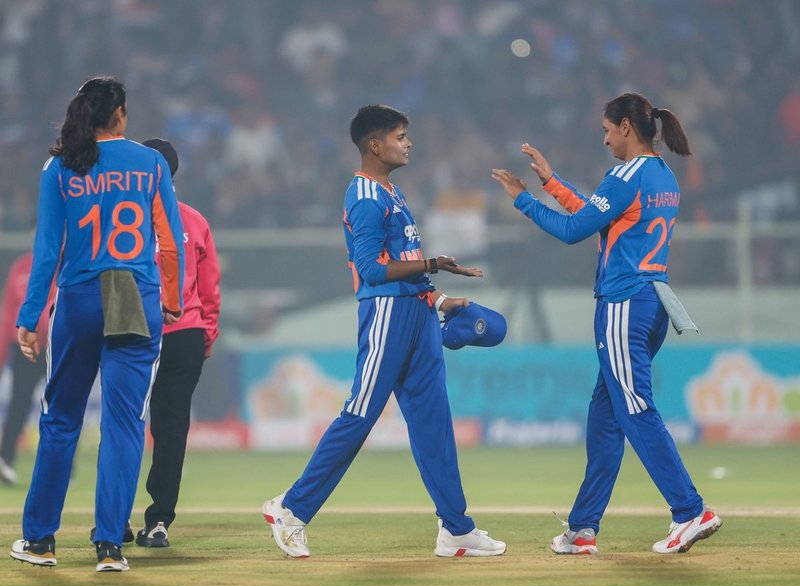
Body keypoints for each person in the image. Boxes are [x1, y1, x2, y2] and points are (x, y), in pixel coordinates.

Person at [262, 104, 506, 559]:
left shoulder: (392, 192)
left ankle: (456, 528)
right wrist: (433, 264)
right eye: (400, 135)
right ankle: (290, 510)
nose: (408, 142)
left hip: (417, 314)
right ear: (375, 144)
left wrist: (437, 298)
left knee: (434, 426)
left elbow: (405, 265)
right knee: (359, 416)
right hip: (386, 317)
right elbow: (374, 270)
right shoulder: (364, 196)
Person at [491, 92, 722, 555]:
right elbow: (600, 213)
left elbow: (574, 230)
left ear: (625, 128)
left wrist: (523, 200)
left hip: (623, 304)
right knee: (606, 416)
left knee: (635, 409)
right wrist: (552, 182)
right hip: (654, 302)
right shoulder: (661, 175)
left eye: (605, 130)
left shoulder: (624, 175)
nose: (603, 139)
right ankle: (582, 528)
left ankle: (690, 510)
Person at [9, 76, 184, 572]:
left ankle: (40, 541)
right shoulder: (150, 163)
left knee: (60, 422)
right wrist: (170, 299)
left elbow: (47, 250)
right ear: (122, 114)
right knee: (125, 425)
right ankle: (110, 546)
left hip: (80, 297)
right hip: (134, 296)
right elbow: (169, 240)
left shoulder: (60, 165)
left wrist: (29, 316)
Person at [134, 137, 220, 548]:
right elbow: (210, 288)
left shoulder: (125, 219)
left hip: (133, 331)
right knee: (171, 428)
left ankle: (112, 520)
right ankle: (159, 521)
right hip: (185, 332)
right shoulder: (194, 221)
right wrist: (208, 333)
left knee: (125, 424)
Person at [0, 252, 49, 485]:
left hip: (54, 346)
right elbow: (9, 311)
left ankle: (65, 468)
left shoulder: (62, 265)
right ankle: (5, 460)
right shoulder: (21, 267)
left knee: (63, 407)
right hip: (22, 346)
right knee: (18, 404)